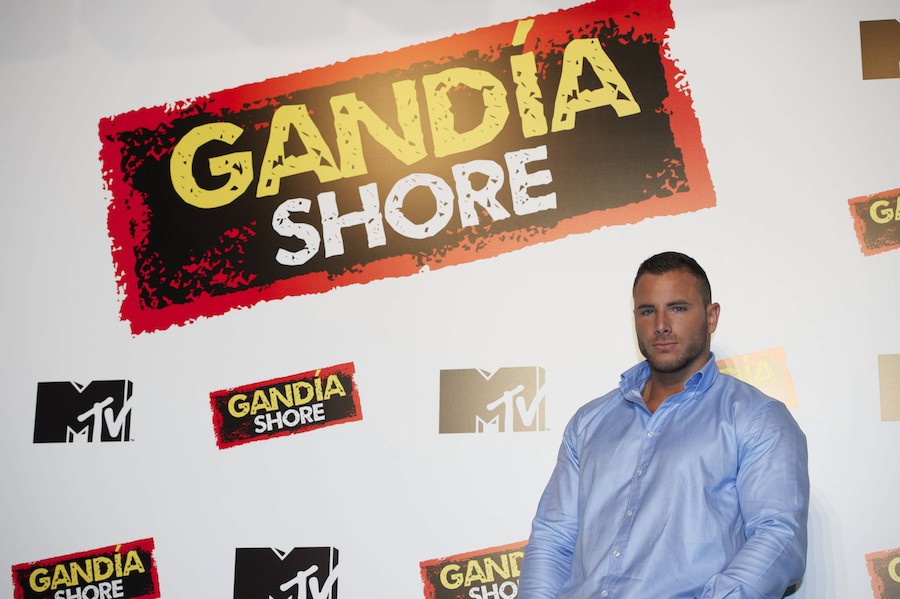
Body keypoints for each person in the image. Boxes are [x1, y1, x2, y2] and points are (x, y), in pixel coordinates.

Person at [519, 251, 809, 598]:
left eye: (678, 308)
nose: (661, 325)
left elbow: (778, 537)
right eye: (647, 311)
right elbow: (553, 538)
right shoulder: (589, 422)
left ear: (711, 316)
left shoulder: (756, 418)